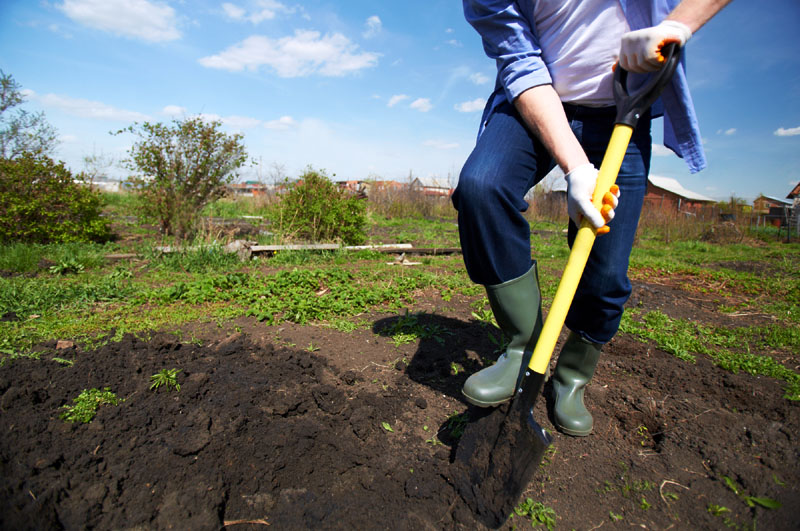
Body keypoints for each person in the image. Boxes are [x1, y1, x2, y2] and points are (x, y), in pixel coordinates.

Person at [454, 0, 730, 436]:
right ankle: (522, 347)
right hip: (535, 106)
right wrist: (577, 168)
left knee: (605, 271)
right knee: (482, 188)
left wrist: (679, 24)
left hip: (622, 113)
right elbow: (519, 61)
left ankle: (572, 377)